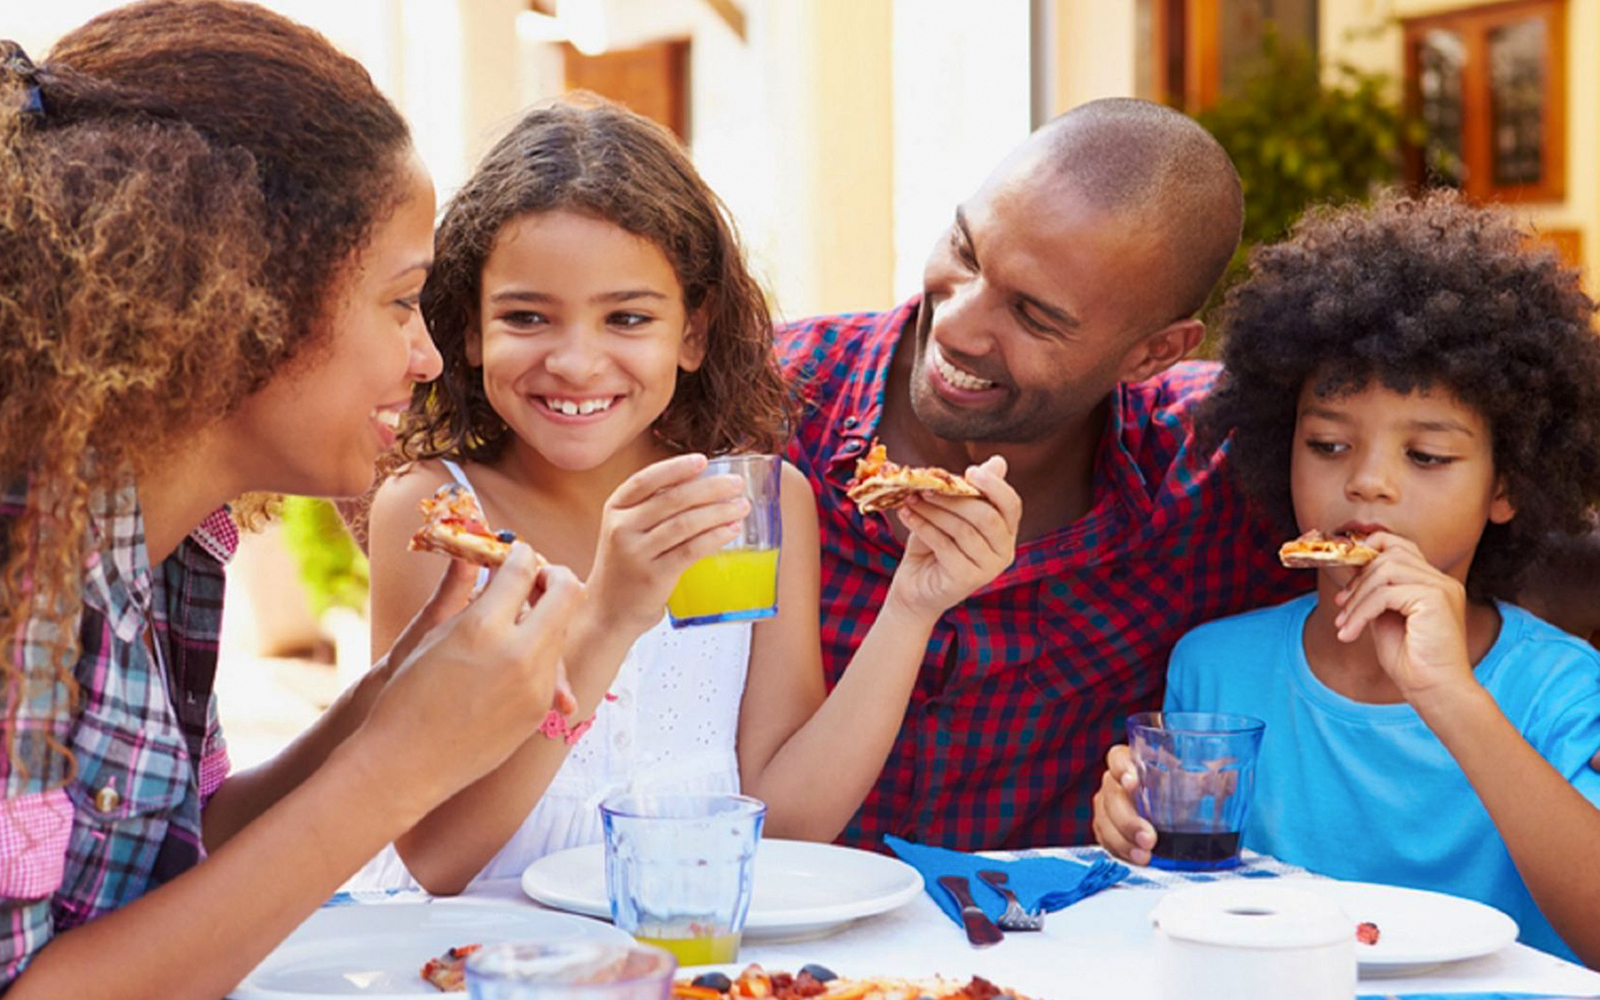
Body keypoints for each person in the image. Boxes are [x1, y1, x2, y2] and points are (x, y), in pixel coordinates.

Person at [0, 4, 581, 997]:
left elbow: (182, 852)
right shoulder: (25, 579)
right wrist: (399, 765)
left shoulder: (171, 547)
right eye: (400, 302)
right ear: (240, 306)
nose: (428, 357)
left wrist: (389, 698)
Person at [360, 96, 1021, 894]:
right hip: (477, 960)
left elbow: (784, 822)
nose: (576, 362)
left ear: (694, 331)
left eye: (628, 318)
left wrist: (912, 607)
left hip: (690, 953)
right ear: (467, 328)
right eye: (528, 316)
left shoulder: (755, 507)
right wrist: (606, 620)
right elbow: (441, 857)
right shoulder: (440, 518)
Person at [777, 98, 1309, 852]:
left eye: (1033, 315)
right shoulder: (767, 405)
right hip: (770, 957)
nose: (958, 324)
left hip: (1049, 959)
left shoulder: (1220, 475)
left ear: (1152, 352)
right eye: (964, 251)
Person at [1091, 192, 1600, 967]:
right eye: (1328, 444)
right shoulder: (1215, 666)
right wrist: (1136, 840)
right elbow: (1189, 911)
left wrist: (1451, 696)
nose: (1368, 484)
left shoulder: (1566, 688)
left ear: (1508, 485)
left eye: (1426, 457)